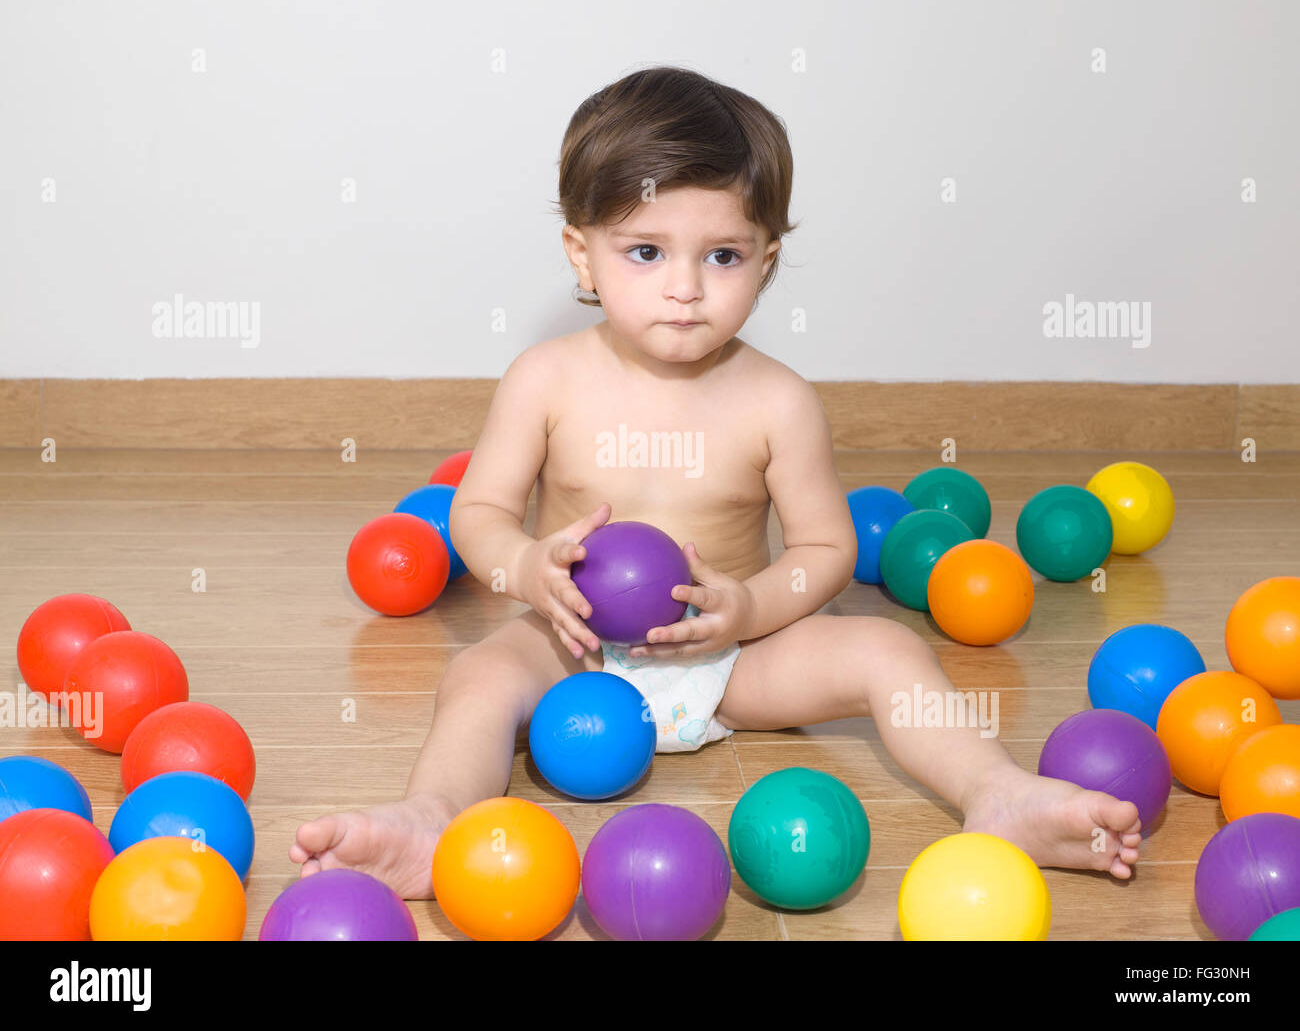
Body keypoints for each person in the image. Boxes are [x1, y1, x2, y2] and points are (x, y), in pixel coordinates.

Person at [291, 65, 1141, 900]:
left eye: (723, 255)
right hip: (572, 650)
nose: (686, 288)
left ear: (767, 263)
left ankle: (994, 790)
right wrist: (530, 567)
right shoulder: (544, 380)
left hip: (732, 658)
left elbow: (825, 547)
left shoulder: (778, 400)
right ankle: (436, 817)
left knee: (888, 650)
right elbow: (477, 514)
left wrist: (749, 608)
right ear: (581, 256)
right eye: (647, 251)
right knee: (476, 677)